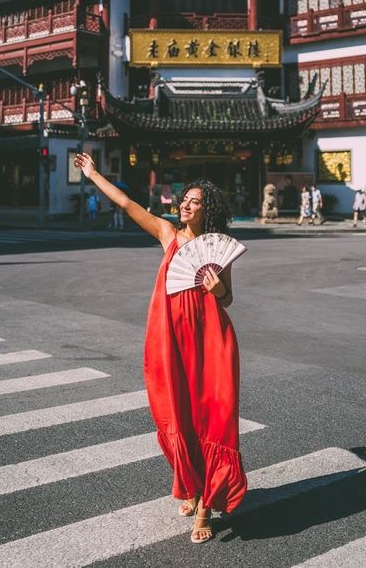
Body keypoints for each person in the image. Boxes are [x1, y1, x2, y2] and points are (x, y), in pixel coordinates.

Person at [75, 151, 246, 544]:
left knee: (212, 417)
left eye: (194, 201)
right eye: (184, 199)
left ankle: (205, 505)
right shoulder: (168, 235)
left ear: (208, 210)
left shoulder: (220, 247)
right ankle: (191, 483)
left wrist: (215, 286)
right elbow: (127, 203)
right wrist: (93, 174)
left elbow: (228, 299)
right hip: (172, 336)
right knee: (177, 413)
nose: (185, 205)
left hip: (212, 340)